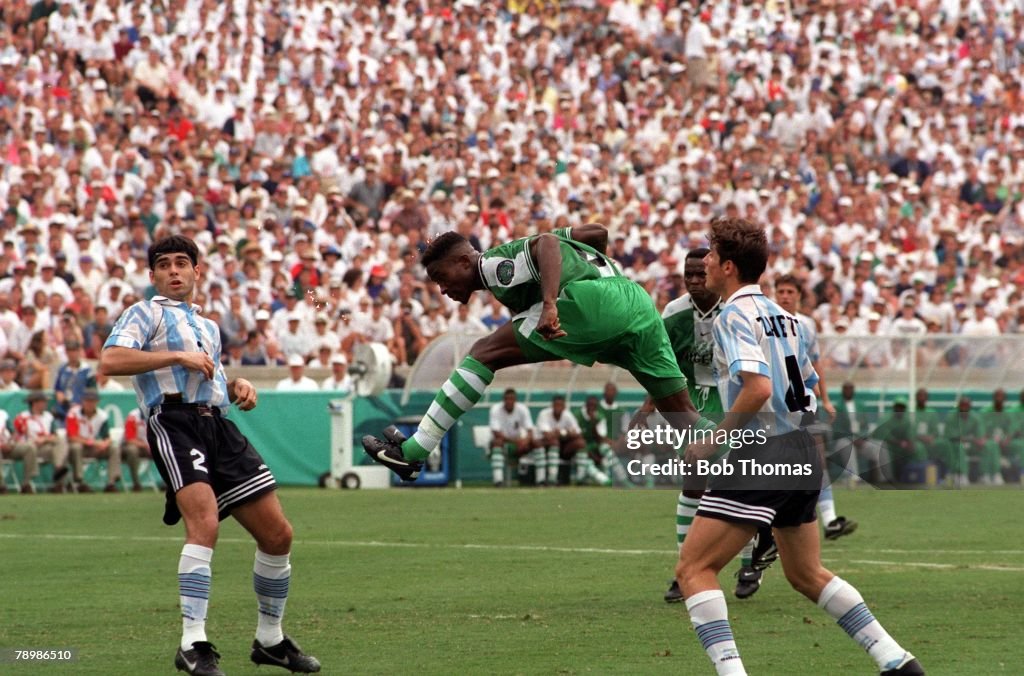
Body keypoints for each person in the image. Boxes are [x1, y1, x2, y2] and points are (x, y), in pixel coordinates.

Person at [677, 217, 923, 676]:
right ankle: (895, 660)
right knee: (805, 574)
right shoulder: (787, 317)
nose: (703, 262)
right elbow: (806, 381)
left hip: (764, 450)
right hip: (801, 448)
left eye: (710, 254)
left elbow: (757, 390)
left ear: (728, 266)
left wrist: (712, 442)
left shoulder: (733, 314)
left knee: (693, 568)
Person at [99, 236, 320, 676]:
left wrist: (236, 385)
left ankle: (270, 640)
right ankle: (192, 643)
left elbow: (211, 378)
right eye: (164, 265)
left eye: (183, 263)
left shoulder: (210, 326)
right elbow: (110, 360)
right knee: (205, 524)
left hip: (217, 425)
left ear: (198, 272)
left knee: (278, 535)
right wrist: (177, 354)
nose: (174, 271)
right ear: (153, 276)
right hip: (175, 421)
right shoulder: (144, 312)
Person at [362, 224, 698, 481]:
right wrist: (571, 249)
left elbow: (547, 244)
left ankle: (415, 449)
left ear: (464, 261)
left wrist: (551, 302)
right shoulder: (513, 272)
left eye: (441, 276)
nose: (442, 288)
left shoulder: (492, 265)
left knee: (483, 353)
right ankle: (743, 467)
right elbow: (597, 233)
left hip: (594, 303)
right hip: (637, 304)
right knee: (682, 415)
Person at [656, 249, 768, 602]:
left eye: (699, 273)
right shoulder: (673, 313)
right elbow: (658, 362)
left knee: (734, 482)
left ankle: (749, 562)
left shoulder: (734, 311)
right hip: (688, 400)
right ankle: (685, 569)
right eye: (686, 274)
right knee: (693, 482)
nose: (693, 280)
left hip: (729, 397)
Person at [773, 275, 856, 541]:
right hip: (774, 405)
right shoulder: (767, 319)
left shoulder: (806, 325)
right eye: (781, 291)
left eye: (789, 291)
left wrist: (827, 399)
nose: (785, 296)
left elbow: (816, 364)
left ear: (799, 295)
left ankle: (830, 519)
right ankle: (767, 527)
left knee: (816, 462)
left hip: (803, 403)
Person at [12, 390, 70, 493]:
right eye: (43, 402)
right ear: (34, 403)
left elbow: (54, 435)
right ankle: (27, 483)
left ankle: (59, 478)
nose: (45, 404)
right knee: (31, 448)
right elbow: (17, 435)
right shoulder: (23, 417)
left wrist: (44, 439)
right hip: (28, 446)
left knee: (61, 445)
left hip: (45, 447)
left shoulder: (49, 416)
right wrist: (32, 440)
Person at [487, 388, 544, 487]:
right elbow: (496, 432)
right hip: (503, 443)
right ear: (503, 399)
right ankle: (498, 481)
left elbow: (530, 430)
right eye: (507, 399)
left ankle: (541, 481)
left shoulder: (522, 409)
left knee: (537, 443)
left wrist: (526, 440)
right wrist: (516, 441)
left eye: (511, 399)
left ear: (515, 400)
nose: (509, 401)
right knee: (497, 442)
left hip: (518, 444)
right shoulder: (496, 409)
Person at [65, 388, 115, 492]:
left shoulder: (102, 416)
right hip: (78, 447)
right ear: (82, 401)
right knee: (76, 447)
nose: (89, 403)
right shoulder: (73, 413)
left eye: (92, 401)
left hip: (93, 448)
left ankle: (111, 482)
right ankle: (80, 481)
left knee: (113, 448)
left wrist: (105, 443)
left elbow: (108, 436)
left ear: (97, 402)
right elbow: (72, 437)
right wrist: (93, 442)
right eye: (87, 400)